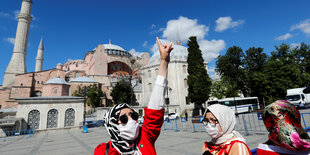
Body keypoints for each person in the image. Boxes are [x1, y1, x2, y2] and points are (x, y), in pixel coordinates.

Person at [94, 37, 173, 155]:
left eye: (134, 115)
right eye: (124, 118)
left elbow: (155, 108)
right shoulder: (103, 151)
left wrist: (164, 61)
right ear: (113, 124)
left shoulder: (145, 138)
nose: (131, 119)